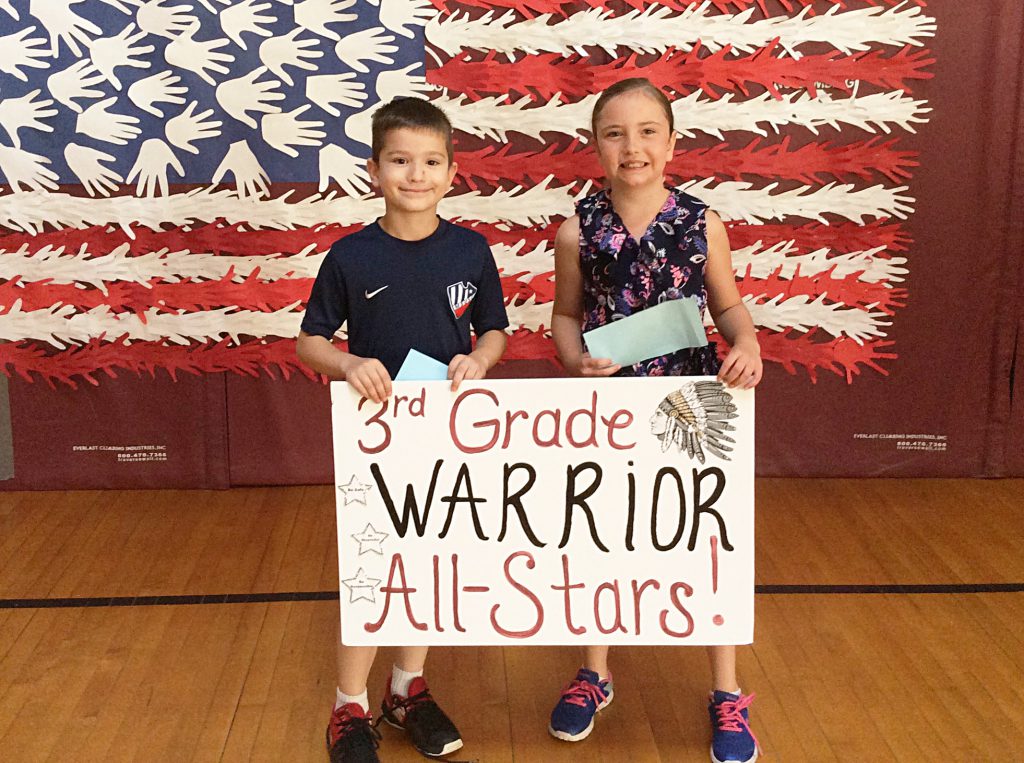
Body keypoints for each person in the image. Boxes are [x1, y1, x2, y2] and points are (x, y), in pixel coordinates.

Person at [548, 77, 763, 763]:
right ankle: (595, 671)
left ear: (672, 142)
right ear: (595, 146)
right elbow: (563, 316)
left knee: (706, 537)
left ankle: (725, 689)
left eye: (647, 131)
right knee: (601, 532)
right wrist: (575, 358)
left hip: (690, 406)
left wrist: (748, 341)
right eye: (615, 132)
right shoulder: (576, 230)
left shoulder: (703, 224)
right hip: (610, 406)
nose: (632, 145)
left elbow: (726, 308)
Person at [297, 97, 509, 763]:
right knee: (372, 569)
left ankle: (404, 688)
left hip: (443, 433)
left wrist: (479, 358)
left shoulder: (471, 251)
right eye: (400, 161)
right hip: (375, 439)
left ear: (451, 172)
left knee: (426, 563)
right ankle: (349, 704)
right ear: (374, 170)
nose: (415, 175)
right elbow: (309, 343)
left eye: (430, 162)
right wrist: (351, 361)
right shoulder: (351, 255)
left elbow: (495, 331)